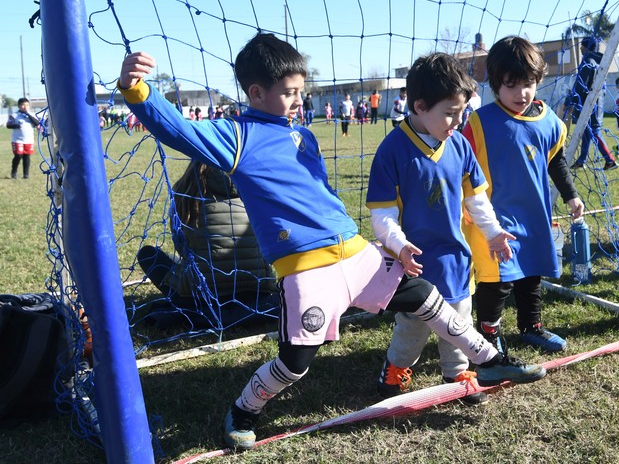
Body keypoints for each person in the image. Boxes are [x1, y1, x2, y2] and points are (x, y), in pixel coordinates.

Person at [118, 33, 546, 451]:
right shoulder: (238, 136)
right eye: (290, 92)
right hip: (306, 271)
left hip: (354, 251)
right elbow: (176, 130)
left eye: (302, 91)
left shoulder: (302, 134)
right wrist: (137, 90)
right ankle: (244, 412)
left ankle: (489, 363)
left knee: (425, 296)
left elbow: (318, 193)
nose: (299, 100)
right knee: (295, 364)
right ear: (256, 92)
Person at [367, 53, 518, 406]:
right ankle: (395, 367)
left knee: (459, 319)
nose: (458, 120)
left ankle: (457, 373)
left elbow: (477, 200)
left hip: (455, 258)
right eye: (450, 112)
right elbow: (382, 216)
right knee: (413, 326)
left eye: (462, 111)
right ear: (419, 106)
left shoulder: (460, 146)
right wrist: (400, 245)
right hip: (414, 264)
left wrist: (493, 232)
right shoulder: (392, 151)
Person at [463, 36, 585, 353]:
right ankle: (488, 335)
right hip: (493, 219)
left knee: (531, 274)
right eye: (511, 85)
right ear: (495, 84)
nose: (522, 93)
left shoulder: (549, 122)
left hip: (533, 215)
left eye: (528, 83)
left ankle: (532, 327)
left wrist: (570, 195)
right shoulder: (480, 123)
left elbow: (556, 160)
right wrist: (463, 203)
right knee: (496, 280)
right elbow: (461, 165)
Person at [136, 160, 278, 322]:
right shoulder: (252, 190)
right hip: (258, 290)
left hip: (201, 296)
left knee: (148, 255)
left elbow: (182, 248)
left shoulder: (184, 192)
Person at [568, 37, 617, 170]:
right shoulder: (599, 62)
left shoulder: (588, 62)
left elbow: (581, 86)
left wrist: (571, 100)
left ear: (586, 47)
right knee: (586, 132)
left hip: (589, 103)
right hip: (597, 102)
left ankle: (610, 160)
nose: (580, 48)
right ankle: (581, 161)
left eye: (582, 46)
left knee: (594, 131)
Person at [6, 97, 40, 179]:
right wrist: (16, 125)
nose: (25, 107)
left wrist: (28, 114)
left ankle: (26, 174)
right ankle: (14, 172)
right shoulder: (14, 115)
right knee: (18, 155)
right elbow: (8, 125)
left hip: (28, 140)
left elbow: (37, 123)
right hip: (17, 140)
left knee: (27, 156)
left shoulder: (31, 114)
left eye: (27, 105)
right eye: (23, 105)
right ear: (19, 106)